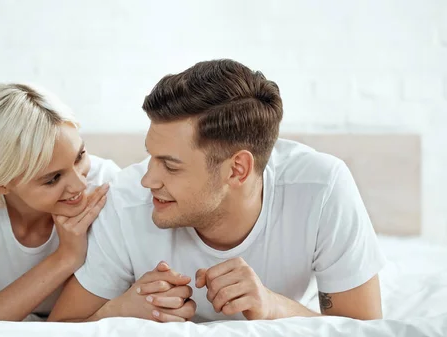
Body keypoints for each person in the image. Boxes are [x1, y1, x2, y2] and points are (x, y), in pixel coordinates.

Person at [48, 59, 386, 323]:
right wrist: (119, 309)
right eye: (150, 157)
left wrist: (273, 306)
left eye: (171, 165)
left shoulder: (321, 190)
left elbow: (364, 327)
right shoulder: (125, 201)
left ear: (237, 169)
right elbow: (59, 325)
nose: (148, 179)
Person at [0, 83, 120, 321]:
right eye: (53, 178)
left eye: (80, 156)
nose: (79, 185)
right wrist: (65, 257)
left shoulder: (106, 184)